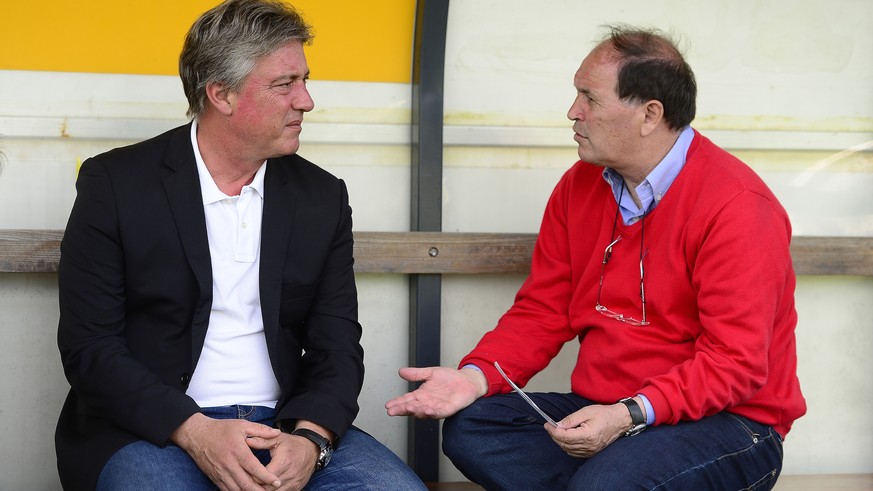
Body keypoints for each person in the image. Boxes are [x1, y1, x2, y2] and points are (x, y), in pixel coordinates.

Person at [386, 24, 806, 490]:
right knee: (474, 429)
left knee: (605, 483)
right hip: (609, 411)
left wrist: (628, 415)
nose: (573, 112)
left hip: (730, 423)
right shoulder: (578, 185)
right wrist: (475, 378)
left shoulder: (738, 206)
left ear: (649, 114)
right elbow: (544, 310)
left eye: (589, 98)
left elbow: (735, 364)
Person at [55, 1, 427, 490]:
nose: (306, 101)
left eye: (305, 81)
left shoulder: (321, 196)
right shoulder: (117, 184)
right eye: (284, 84)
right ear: (221, 94)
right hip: (155, 429)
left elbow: (336, 345)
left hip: (286, 426)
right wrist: (195, 431)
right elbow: (90, 348)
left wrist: (311, 440)